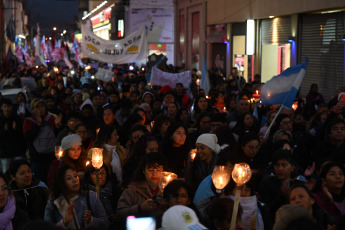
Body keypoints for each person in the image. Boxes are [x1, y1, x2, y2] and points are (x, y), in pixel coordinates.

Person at [44, 165, 108, 229]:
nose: (75, 180)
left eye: (75, 176)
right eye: (69, 178)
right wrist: (64, 222)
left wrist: (91, 220)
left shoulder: (91, 197)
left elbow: (105, 223)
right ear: (61, 182)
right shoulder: (53, 204)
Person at [116, 152, 167, 221]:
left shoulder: (168, 188)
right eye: (150, 170)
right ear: (143, 170)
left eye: (158, 170)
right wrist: (140, 208)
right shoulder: (133, 189)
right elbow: (120, 213)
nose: (154, 174)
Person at [259, 149, 304, 220]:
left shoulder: (298, 182)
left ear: (292, 167)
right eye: (277, 165)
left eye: (284, 165)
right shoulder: (267, 183)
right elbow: (266, 209)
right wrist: (282, 195)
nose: (280, 169)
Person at [23, 98, 62, 182]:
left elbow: (57, 136)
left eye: (42, 106)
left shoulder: (51, 118)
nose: (41, 109)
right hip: (37, 159)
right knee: (38, 182)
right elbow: (28, 138)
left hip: (51, 158)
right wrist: (37, 125)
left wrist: (58, 126)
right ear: (32, 109)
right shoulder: (28, 121)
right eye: (37, 107)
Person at [0, 98, 27, 173]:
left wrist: (16, 129)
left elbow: (22, 134)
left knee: (20, 171)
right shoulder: (1, 120)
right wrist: (4, 131)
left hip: (18, 152)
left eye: (8, 106)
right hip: (5, 153)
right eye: (4, 106)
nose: (7, 109)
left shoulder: (17, 118)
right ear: (1, 108)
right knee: (7, 174)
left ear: (11, 107)